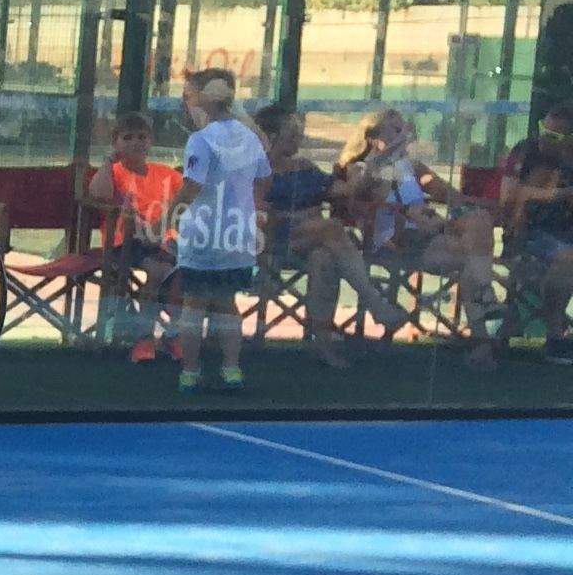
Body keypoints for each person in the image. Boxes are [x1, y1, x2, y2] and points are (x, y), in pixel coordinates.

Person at [335, 107, 496, 367]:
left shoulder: (413, 167)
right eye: (397, 130)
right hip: (393, 242)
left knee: (478, 226)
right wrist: (409, 209)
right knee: (472, 258)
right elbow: (358, 193)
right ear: (375, 136)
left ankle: (482, 338)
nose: (406, 135)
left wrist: (478, 205)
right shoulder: (363, 167)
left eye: (406, 129)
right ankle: (483, 329)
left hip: (425, 239)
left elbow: (450, 195)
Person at [252, 103, 396, 368]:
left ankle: (323, 345)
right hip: (272, 241)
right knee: (330, 228)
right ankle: (373, 300)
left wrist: (373, 165)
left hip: (310, 242)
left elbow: (345, 190)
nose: (300, 138)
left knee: (324, 258)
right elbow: (257, 215)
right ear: (271, 137)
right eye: (292, 134)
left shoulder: (305, 166)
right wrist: (299, 218)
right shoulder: (258, 170)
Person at [163, 66, 269, 393]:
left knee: (194, 302)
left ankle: (190, 372)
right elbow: (263, 179)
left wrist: (167, 218)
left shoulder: (200, 139)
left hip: (204, 234)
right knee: (226, 302)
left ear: (205, 100)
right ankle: (231, 369)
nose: (186, 104)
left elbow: (192, 186)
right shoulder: (248, 137)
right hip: (236, 235)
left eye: (189, 97)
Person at [84, 112, 177, 355]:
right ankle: (144, 336)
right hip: (124, 242)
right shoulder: (114, 172)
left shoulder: (165, 173)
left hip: (163, 241)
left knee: (189, 272)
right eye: (127, 138)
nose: (135, 142)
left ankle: (175, 333)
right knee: (158, 270)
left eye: (141, 137)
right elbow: (99, 194)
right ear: (115, 143)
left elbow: (190, 197)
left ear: (151, 141)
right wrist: (108, 162)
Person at [495, 102, 573, 348]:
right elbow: (507, 197)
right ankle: (554, 332)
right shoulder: (525, 151)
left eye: (553, 135)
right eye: (543, 129)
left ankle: (547, 325)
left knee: (566, 260)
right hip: (528, 233)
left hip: (565, 232)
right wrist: (555, 194)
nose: (544, 138)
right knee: (567, 259)